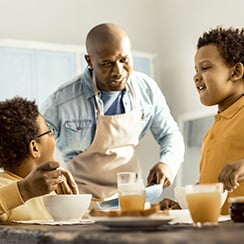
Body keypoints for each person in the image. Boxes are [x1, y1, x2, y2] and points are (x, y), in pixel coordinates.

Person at [41, 23, 185, 200]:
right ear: (89, 61)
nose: (118, 71)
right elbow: (35, 148)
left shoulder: (146, 89)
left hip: (132, 200)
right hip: (81, 203)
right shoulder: (62, 101)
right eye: (107, 63)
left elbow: (170, 134)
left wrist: (167, 164)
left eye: (124, 60)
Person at [160, 26, 244, 215]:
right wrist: (183, 204)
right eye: (196, 70)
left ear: (236, 72)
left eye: (205, 67)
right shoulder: (213, 131)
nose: (196, 76)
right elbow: (212, 185)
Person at [0, 97, 78, 221]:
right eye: (49, 131)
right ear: (35, 148)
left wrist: (71, 205)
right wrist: (25, 189)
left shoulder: (51, 190)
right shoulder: (3, 186)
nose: (53, 138)